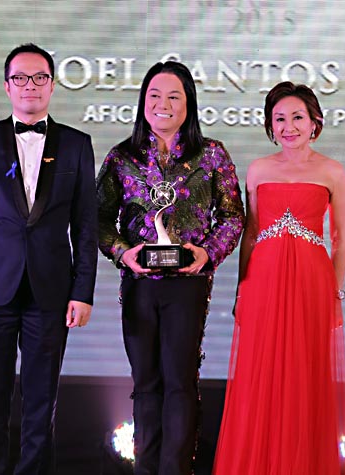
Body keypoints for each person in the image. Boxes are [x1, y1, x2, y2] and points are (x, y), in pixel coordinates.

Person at [0, 43, 98, 475]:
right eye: (20, 78)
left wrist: (82, 291)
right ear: (6, 86)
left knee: (41, 405)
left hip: (51, 293)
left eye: (39, 77)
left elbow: (85, 226)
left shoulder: (77, 144)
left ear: (52, 85)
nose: (29, 85)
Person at [97, 61, 245, 475]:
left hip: (188, 284)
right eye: (154, 96)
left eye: (173, 96)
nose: (163, 104)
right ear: (143, 101)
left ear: (188, 104)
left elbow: (233, 216)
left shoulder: (211, 154)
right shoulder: (122, 157)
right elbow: (97, 219)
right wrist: (123, 253)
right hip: (139, 284)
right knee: (145, 384)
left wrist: (207, 254)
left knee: (180, 382)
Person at [213, 81, 345, 474]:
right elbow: (251, 233)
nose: (289, 127)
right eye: (279, 119)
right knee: (260, 378)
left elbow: (340, 239)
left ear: (314, 122)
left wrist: (334, 293)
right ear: (270, 126)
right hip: (264, 282)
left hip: (312, 284)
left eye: (297, 117)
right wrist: (241, 289)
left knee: (306, 379)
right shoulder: (259, 169)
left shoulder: (332, 171)